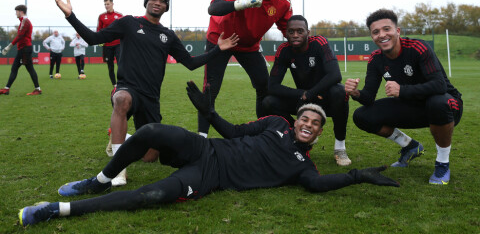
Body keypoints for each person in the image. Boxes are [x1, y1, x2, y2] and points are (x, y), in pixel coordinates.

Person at [18, 81, 399, 227]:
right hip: (208, 147)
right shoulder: (275, 123)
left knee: (152, 195)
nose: (308, 123)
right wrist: (208, 111)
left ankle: (55, 210)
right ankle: (97, 182)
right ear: (296, 119)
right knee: (149, 131)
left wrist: (356, 176)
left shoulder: (305, 166)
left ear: (317, 134)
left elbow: (315, 186)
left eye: (315, 123)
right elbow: (233, 132)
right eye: (305, 117)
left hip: (211, 177)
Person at [53, 0, 239, 186]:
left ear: (166, 7)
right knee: (122, 100)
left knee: (150, 156)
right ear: (146, 1)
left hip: (151, 99)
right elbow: (93, 39)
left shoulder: (167, 36)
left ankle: (120, 136)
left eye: (162, 1)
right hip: (127, 88)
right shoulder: (128, 23)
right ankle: (118, 171)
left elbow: (191, 63)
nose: (157, 3)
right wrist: (70, 16)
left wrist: (218, 49)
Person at [344, 9, 463, 185]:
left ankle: (442, 163)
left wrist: (403, 90)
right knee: (362, 116)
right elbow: (369, 98)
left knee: (437, 102)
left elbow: (439, 85)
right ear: (372, 36)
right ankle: (410, 146)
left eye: (386, 29)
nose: (382, 35)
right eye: (376, 32)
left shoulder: (418, 48)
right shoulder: (376, 59)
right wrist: (356, 93)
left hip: (447, 106)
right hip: (412, 107)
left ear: (397, 31)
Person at [198, 0, 293, 138]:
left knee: (264, 85)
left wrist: (307, 45)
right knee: (211, 87)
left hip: (248, 45)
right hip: (222, 39)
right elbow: (213, 8)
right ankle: (201, 138)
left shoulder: (284, 1)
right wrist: (243, 3)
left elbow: (289, 29)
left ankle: (264, 132)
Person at [263, 15, 351, 166]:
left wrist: (310, 93)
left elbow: (335, 75)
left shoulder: (319, 43)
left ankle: (340, 148)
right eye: (291, 32)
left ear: (308, 33)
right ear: (286, 34)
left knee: (340, 92)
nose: (295, 35)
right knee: (268, 102)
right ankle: (298, 135)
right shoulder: (284, 50)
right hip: (304, 100)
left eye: (300, 31)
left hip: (326, 98)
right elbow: (272, 86)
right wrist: (303, 94)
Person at [0, 5, 41, 96]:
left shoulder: (25, 21)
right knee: (16, 68)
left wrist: (9, 46)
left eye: (16, 11)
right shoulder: (24, 21)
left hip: (24, 49)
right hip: (23, 49)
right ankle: (7, 88)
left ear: (21, 11)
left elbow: (20, 35)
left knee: (27, 68)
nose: (15, 13)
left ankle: (37, 89)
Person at [97, 0, 123, 87]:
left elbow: (123, 29)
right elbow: (99, 30)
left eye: (108, 4)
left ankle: (121, 83)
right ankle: (114, 85)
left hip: (118, 44)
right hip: (107, 45)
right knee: (110, 66)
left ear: (112, 4)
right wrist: (100, 40)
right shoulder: (101, 16)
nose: (106, 6)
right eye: (105, 4)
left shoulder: (119, 15)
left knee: (121, 64)